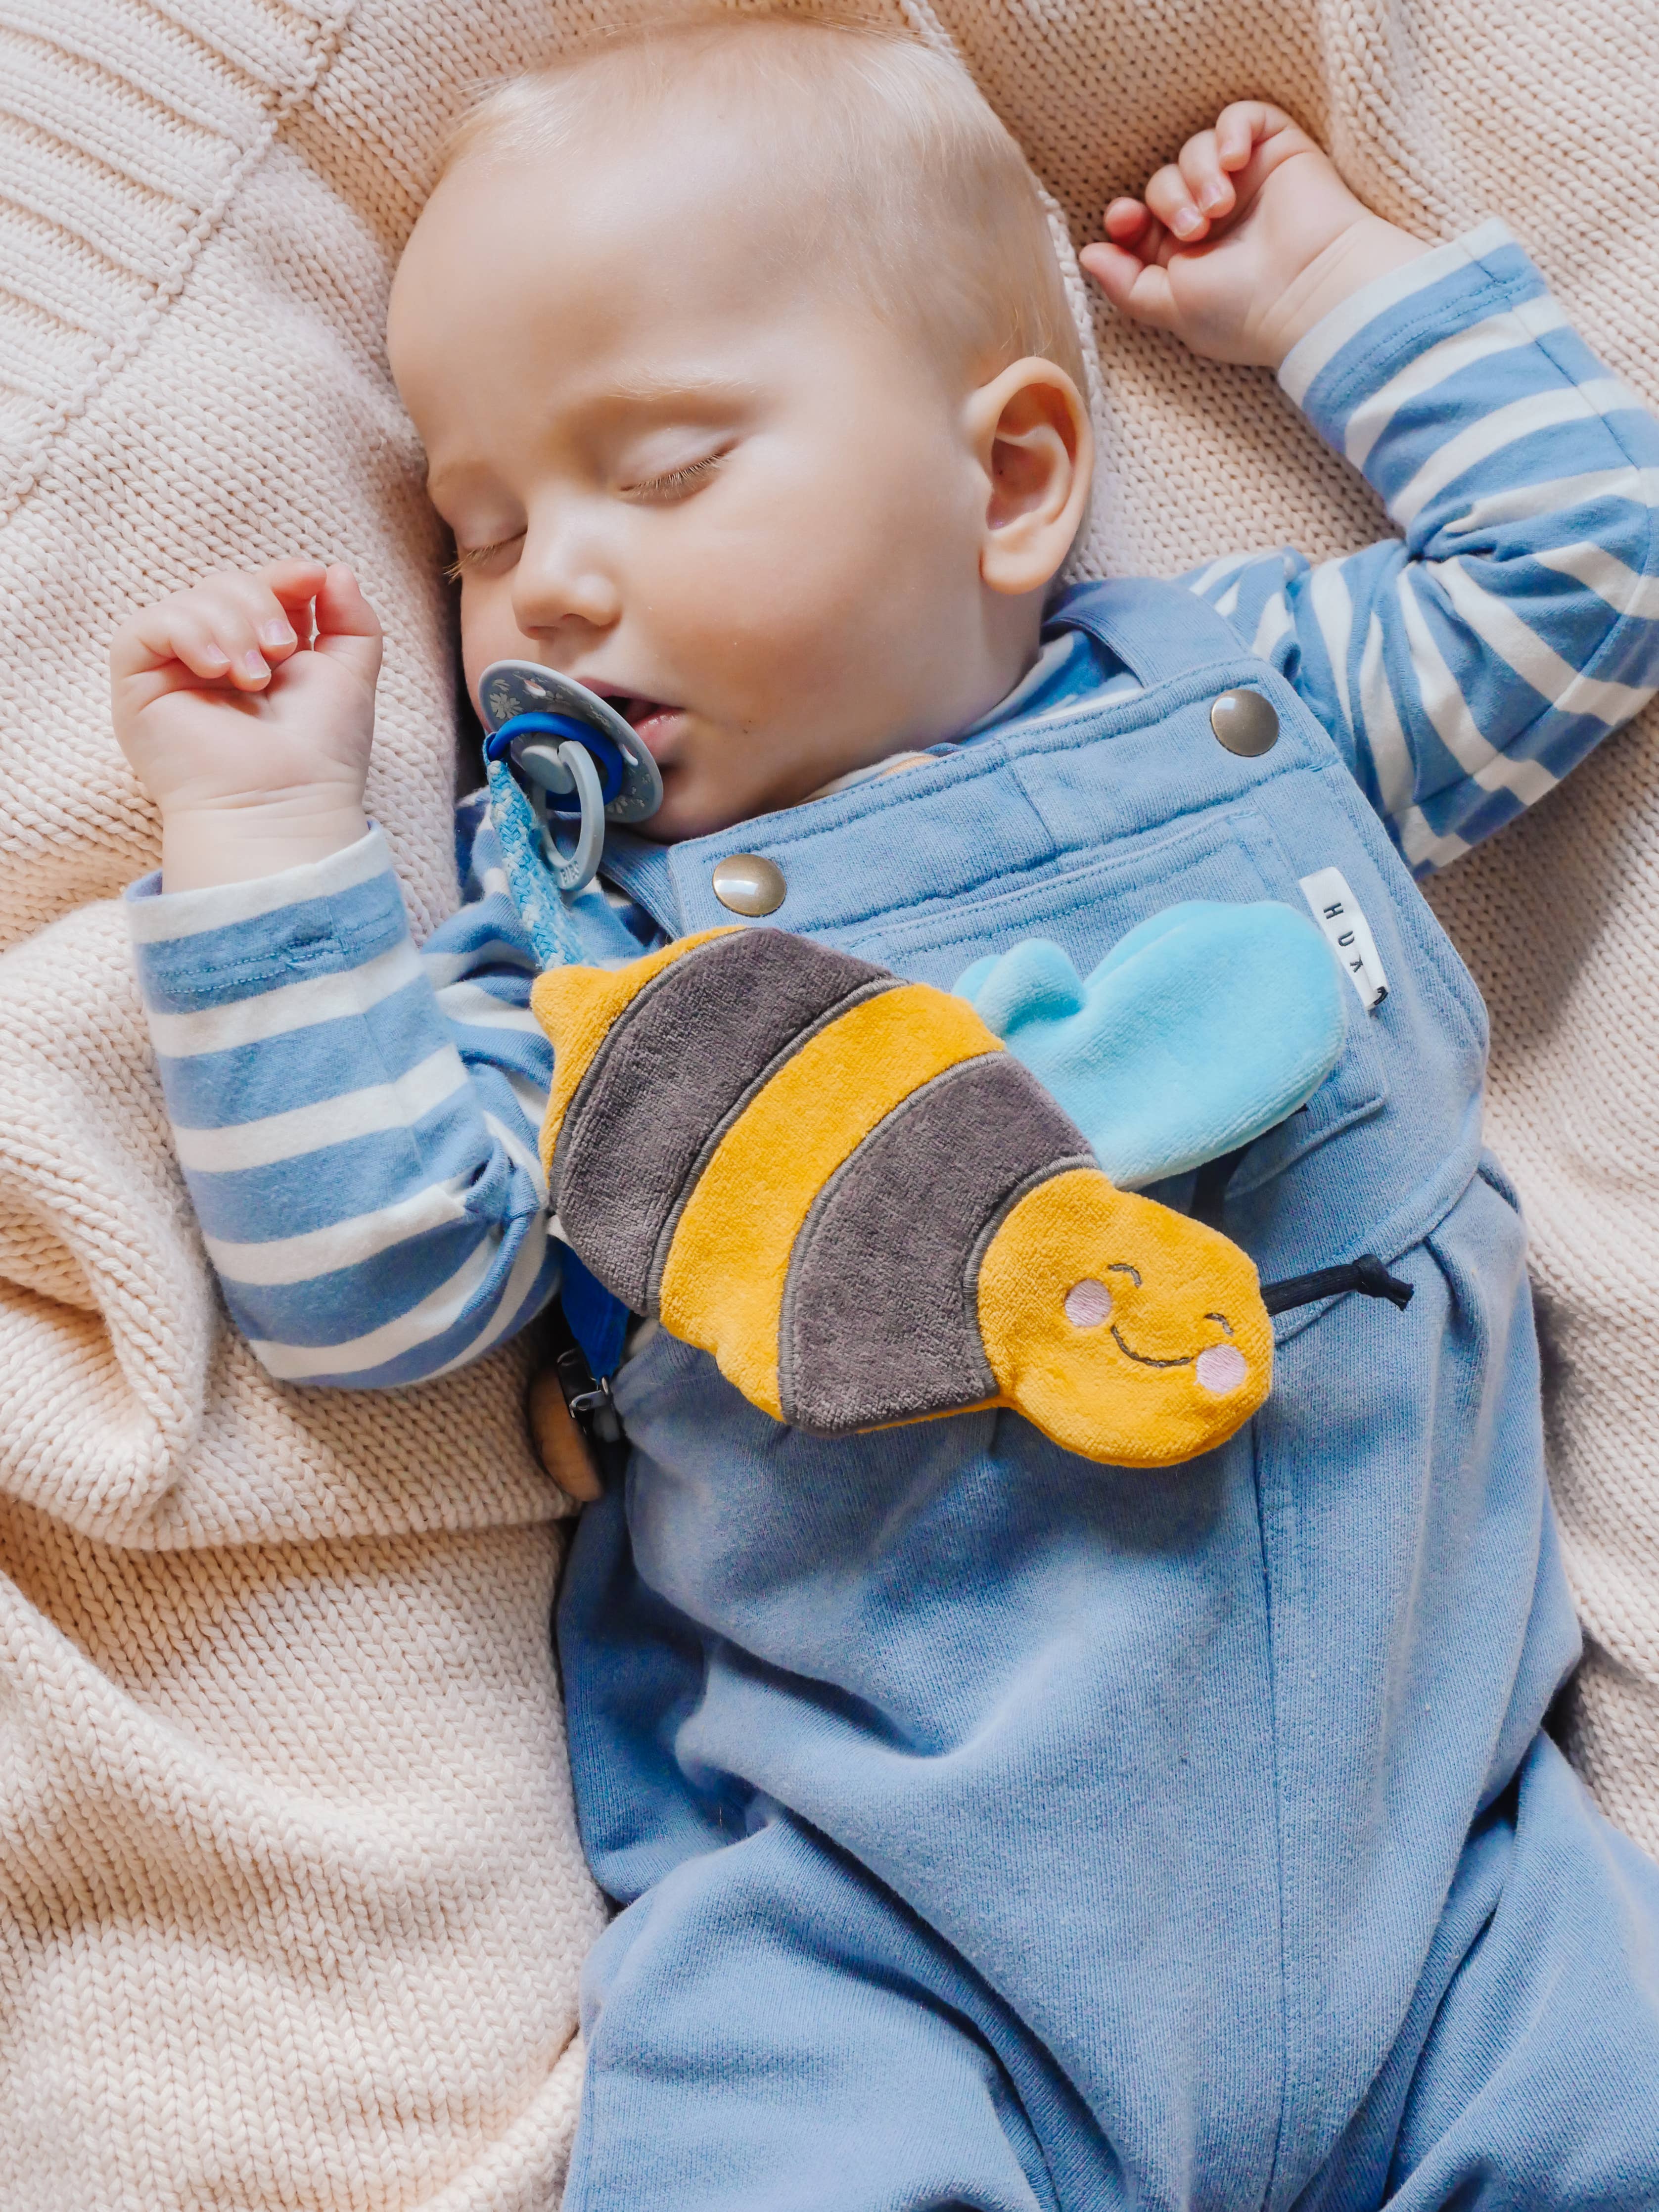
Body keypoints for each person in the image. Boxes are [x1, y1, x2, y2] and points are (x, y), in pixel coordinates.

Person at [111, 12, 1659, 2206]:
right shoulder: (585, 969)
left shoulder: (1254, 703)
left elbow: (1585, 567)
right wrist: (266, 837)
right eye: (478, 530)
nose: (548, 586)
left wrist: (1323, 291)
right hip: (892, 1949)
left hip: (1466, 1896)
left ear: (1014, 479)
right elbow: (368, 1282)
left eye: (663, 470)